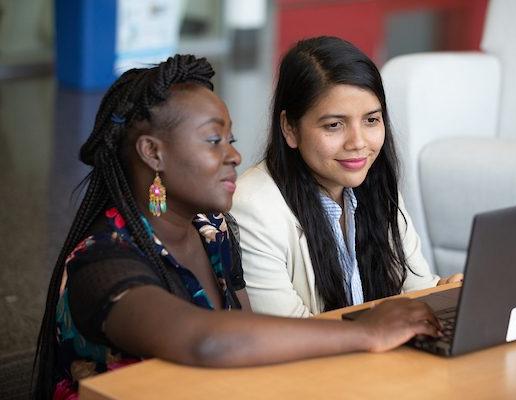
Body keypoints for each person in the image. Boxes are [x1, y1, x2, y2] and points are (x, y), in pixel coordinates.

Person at [33, 55, 443, 400]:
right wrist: (367, 332)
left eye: (231, 139)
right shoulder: (100, 262)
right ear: (153, 153)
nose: (234, 155)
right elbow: (205, 340)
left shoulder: (213, 231)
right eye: (214, 141)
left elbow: (255, 347)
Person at [230, 36, 462, 318]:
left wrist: (441, 293)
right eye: (334, 125)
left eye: (371, 120)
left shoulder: (375, 186)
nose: (358, 142)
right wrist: (376, 332)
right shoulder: (252, 208)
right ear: (290, 128)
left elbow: (415, 288)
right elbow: (290, 335)